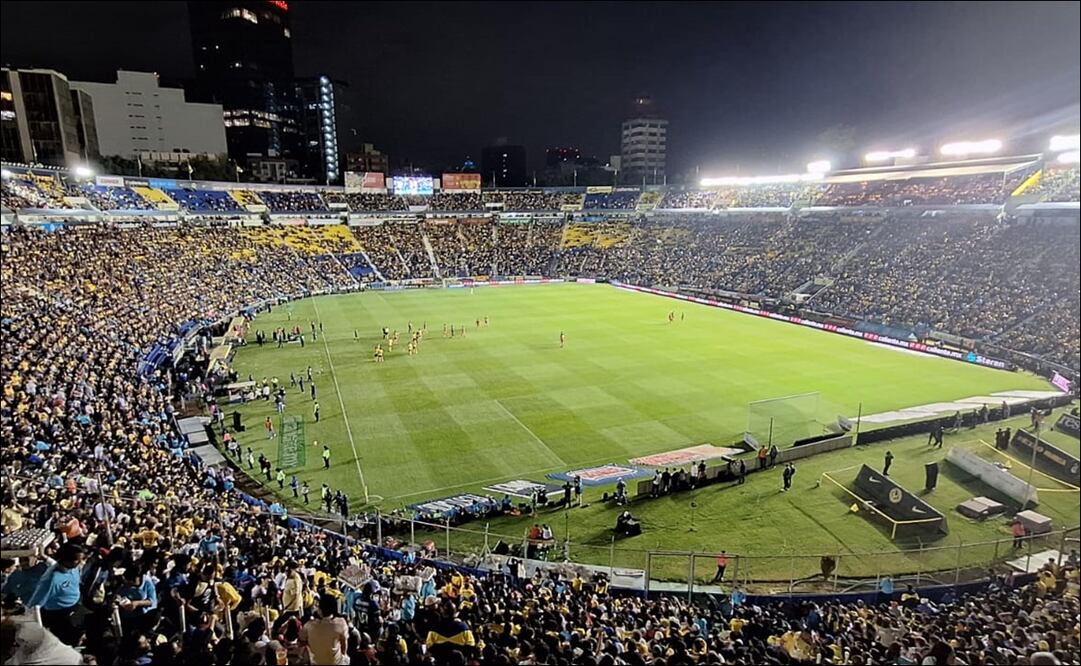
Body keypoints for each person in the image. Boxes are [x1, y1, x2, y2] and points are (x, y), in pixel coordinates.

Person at [27, 542, 85, 646]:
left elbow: (54, 564)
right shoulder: (51, 579)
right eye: (77, 560)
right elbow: (35, 605)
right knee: (66, 643)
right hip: (59, 615)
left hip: (75, 606)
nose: (81, 562)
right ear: (66, 559)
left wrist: (45, 558)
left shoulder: (73, 567)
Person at [302, 594, 350, 665]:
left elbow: (302, 640)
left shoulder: (308, 626)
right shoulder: (341, 623)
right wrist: (344, 654)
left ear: (320, 610)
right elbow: (344, 645)